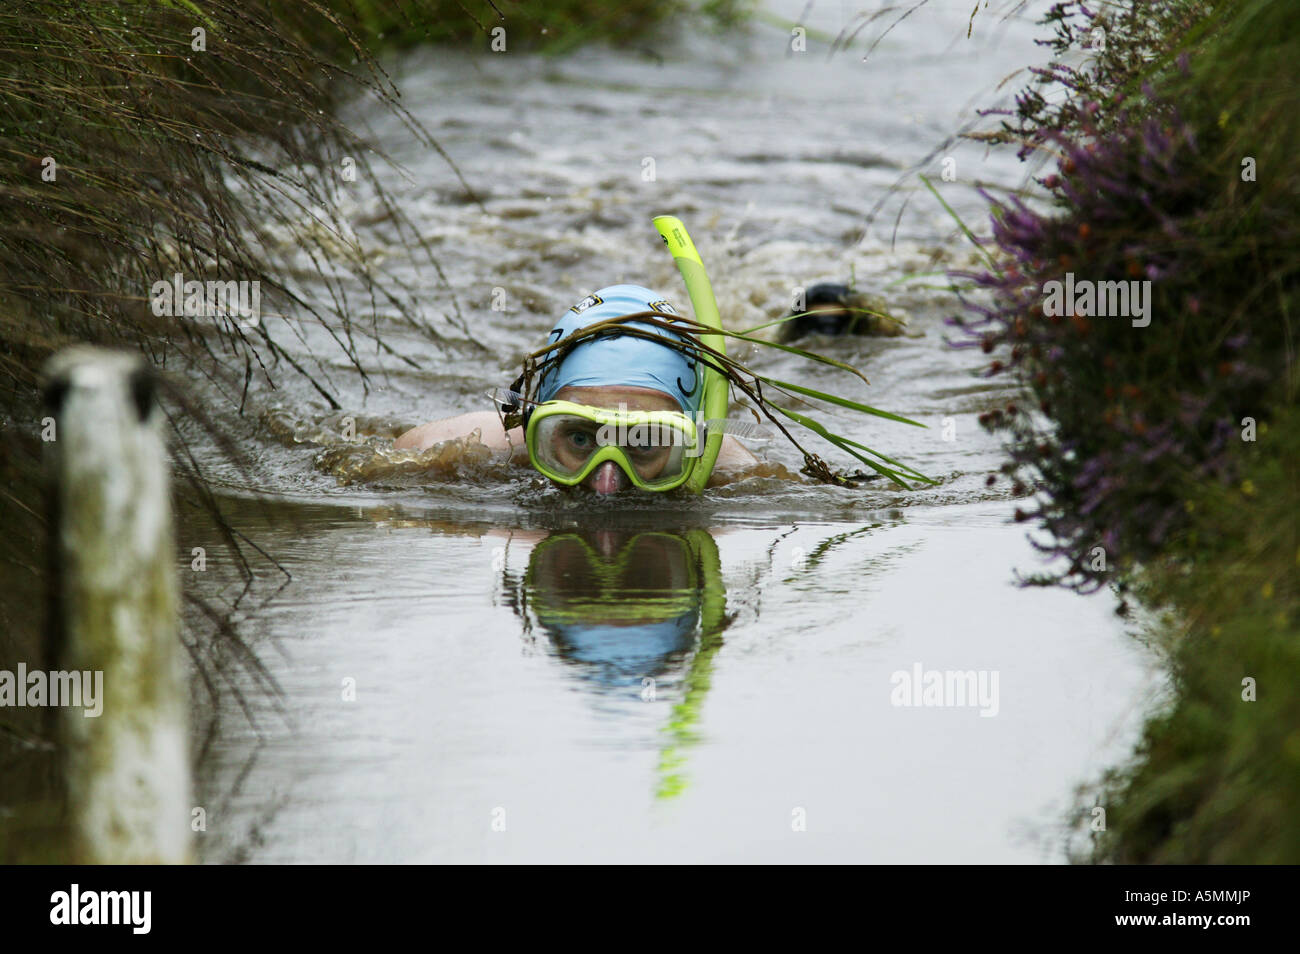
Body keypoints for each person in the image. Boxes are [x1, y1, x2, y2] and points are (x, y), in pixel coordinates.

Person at [395, 284, 757, 494]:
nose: (606, 484)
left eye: (644, 441)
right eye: (580, 438)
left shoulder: (727, 467)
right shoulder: (482, 444)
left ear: (694, 442)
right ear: (532, 418)